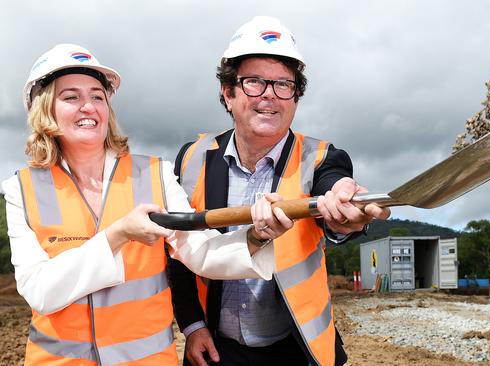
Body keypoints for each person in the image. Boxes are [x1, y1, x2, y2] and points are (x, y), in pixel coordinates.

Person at [2, 43, 295, 365]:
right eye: (71, 97)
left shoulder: (154, 174)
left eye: (97, 96)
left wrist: (255, 237)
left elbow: (202, 253)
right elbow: (41, 293)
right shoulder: (21, 189)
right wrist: (118, 235)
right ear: (46, 110)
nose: (88, 106)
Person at [169, 16, 391, 366]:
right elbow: (177, 251)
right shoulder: (192, 159)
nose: (270, 95)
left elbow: (332, 187)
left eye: (283, 85)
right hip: (216, 347)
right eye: (254, 82)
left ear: (296, 98)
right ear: (228, 94)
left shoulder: (320, 158)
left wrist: (346, 215)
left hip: (296, 347)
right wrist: (193, 325)